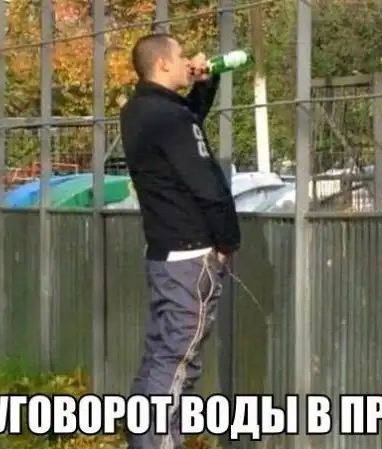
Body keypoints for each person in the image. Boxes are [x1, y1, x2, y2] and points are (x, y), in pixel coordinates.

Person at [119, 33, 241, 449]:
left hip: (164, 253)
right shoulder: (170, 119)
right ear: (163, 64)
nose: (188, 60)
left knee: (159, 356)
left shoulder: (139, 111)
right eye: (181, 55)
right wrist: (227, 242)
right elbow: (206, 183)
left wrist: (205, 83)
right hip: (191, 254)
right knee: (177, 364)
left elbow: (185, 125)